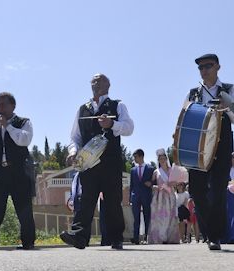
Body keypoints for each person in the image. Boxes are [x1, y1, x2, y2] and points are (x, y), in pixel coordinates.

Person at [60, 73, 134, 250]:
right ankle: (79, 236)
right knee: (85, 199)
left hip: (111, 162)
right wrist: (73, 152)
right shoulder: (82, 109)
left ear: (108, 85)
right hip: (88, 163)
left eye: (100, 81)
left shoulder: (117, 105)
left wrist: (112, 125)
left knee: (112, 201)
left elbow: (129, 128)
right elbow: (75, 137)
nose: (96, 83)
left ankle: (116, 238)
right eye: (93, 81)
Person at [185, 53, 234, 250]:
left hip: (222, 145)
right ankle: (211, 231)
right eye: (201, 67)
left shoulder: (230, 91)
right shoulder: (192, 94)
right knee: (196, 190)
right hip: (197, 148)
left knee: (218, 190)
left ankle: (215, 236)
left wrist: (227, 108)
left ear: (218, 67)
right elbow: (184, 118)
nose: (204, 70)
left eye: (208, 66)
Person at [0, 92, 36, 250]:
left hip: (20, 171)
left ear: (13, 106)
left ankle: (28, 241)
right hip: (1, 172)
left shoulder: (24, 122)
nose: (0, 108)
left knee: (23, 208)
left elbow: (24, 140)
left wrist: (7, 126)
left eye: (3, 104)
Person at [148, 149, 187, 244]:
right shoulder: (156, 172)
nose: (162, 160)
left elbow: (178, 182)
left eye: (163, 158)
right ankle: (160, 237)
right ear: (158, 160)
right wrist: (155, 187)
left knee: (170, 216)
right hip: (160, 197)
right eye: (160, 159)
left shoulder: (171, 170)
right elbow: (152, 184)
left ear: (166, 159)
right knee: (160, 217)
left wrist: (172, 183)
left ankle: (170, 237)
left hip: (170, 195)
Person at [129, 149, 154, 244]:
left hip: (146, 195)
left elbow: (155, 181)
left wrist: (151, 183)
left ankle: (147, 237)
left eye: (136, 157)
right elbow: (131, 184)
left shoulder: (150, 168)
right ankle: (136, 238)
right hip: (135, 196)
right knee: (136, 217)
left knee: (147, 216)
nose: (134, 159)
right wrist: (130, 198)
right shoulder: (133, 170)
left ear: (141, 156)